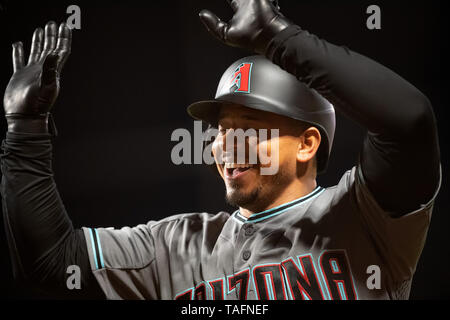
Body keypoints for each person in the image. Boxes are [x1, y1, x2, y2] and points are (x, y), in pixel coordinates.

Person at [1, 0, 440, 300]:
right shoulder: (175, 246)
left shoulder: (364, 217)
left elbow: (409, 122)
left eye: (248, 129)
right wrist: (25, 130)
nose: (225, 146)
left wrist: (280, 39)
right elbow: (52, 262)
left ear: (307, 143)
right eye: (219, 131)